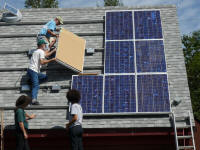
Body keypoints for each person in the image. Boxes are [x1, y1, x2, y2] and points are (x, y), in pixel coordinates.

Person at [27, 39, 56, 105]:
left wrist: (53, 51)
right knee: (36, 85)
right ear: (42, 45)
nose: (45, 46)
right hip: (33, 71)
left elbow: (46, 54)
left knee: (45, 77)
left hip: (32, 71)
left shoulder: (37, 51)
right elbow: (42, 62)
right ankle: (34, 100)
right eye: (44, 44)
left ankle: (31, 82)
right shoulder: (41, 52)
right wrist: (51, 59)